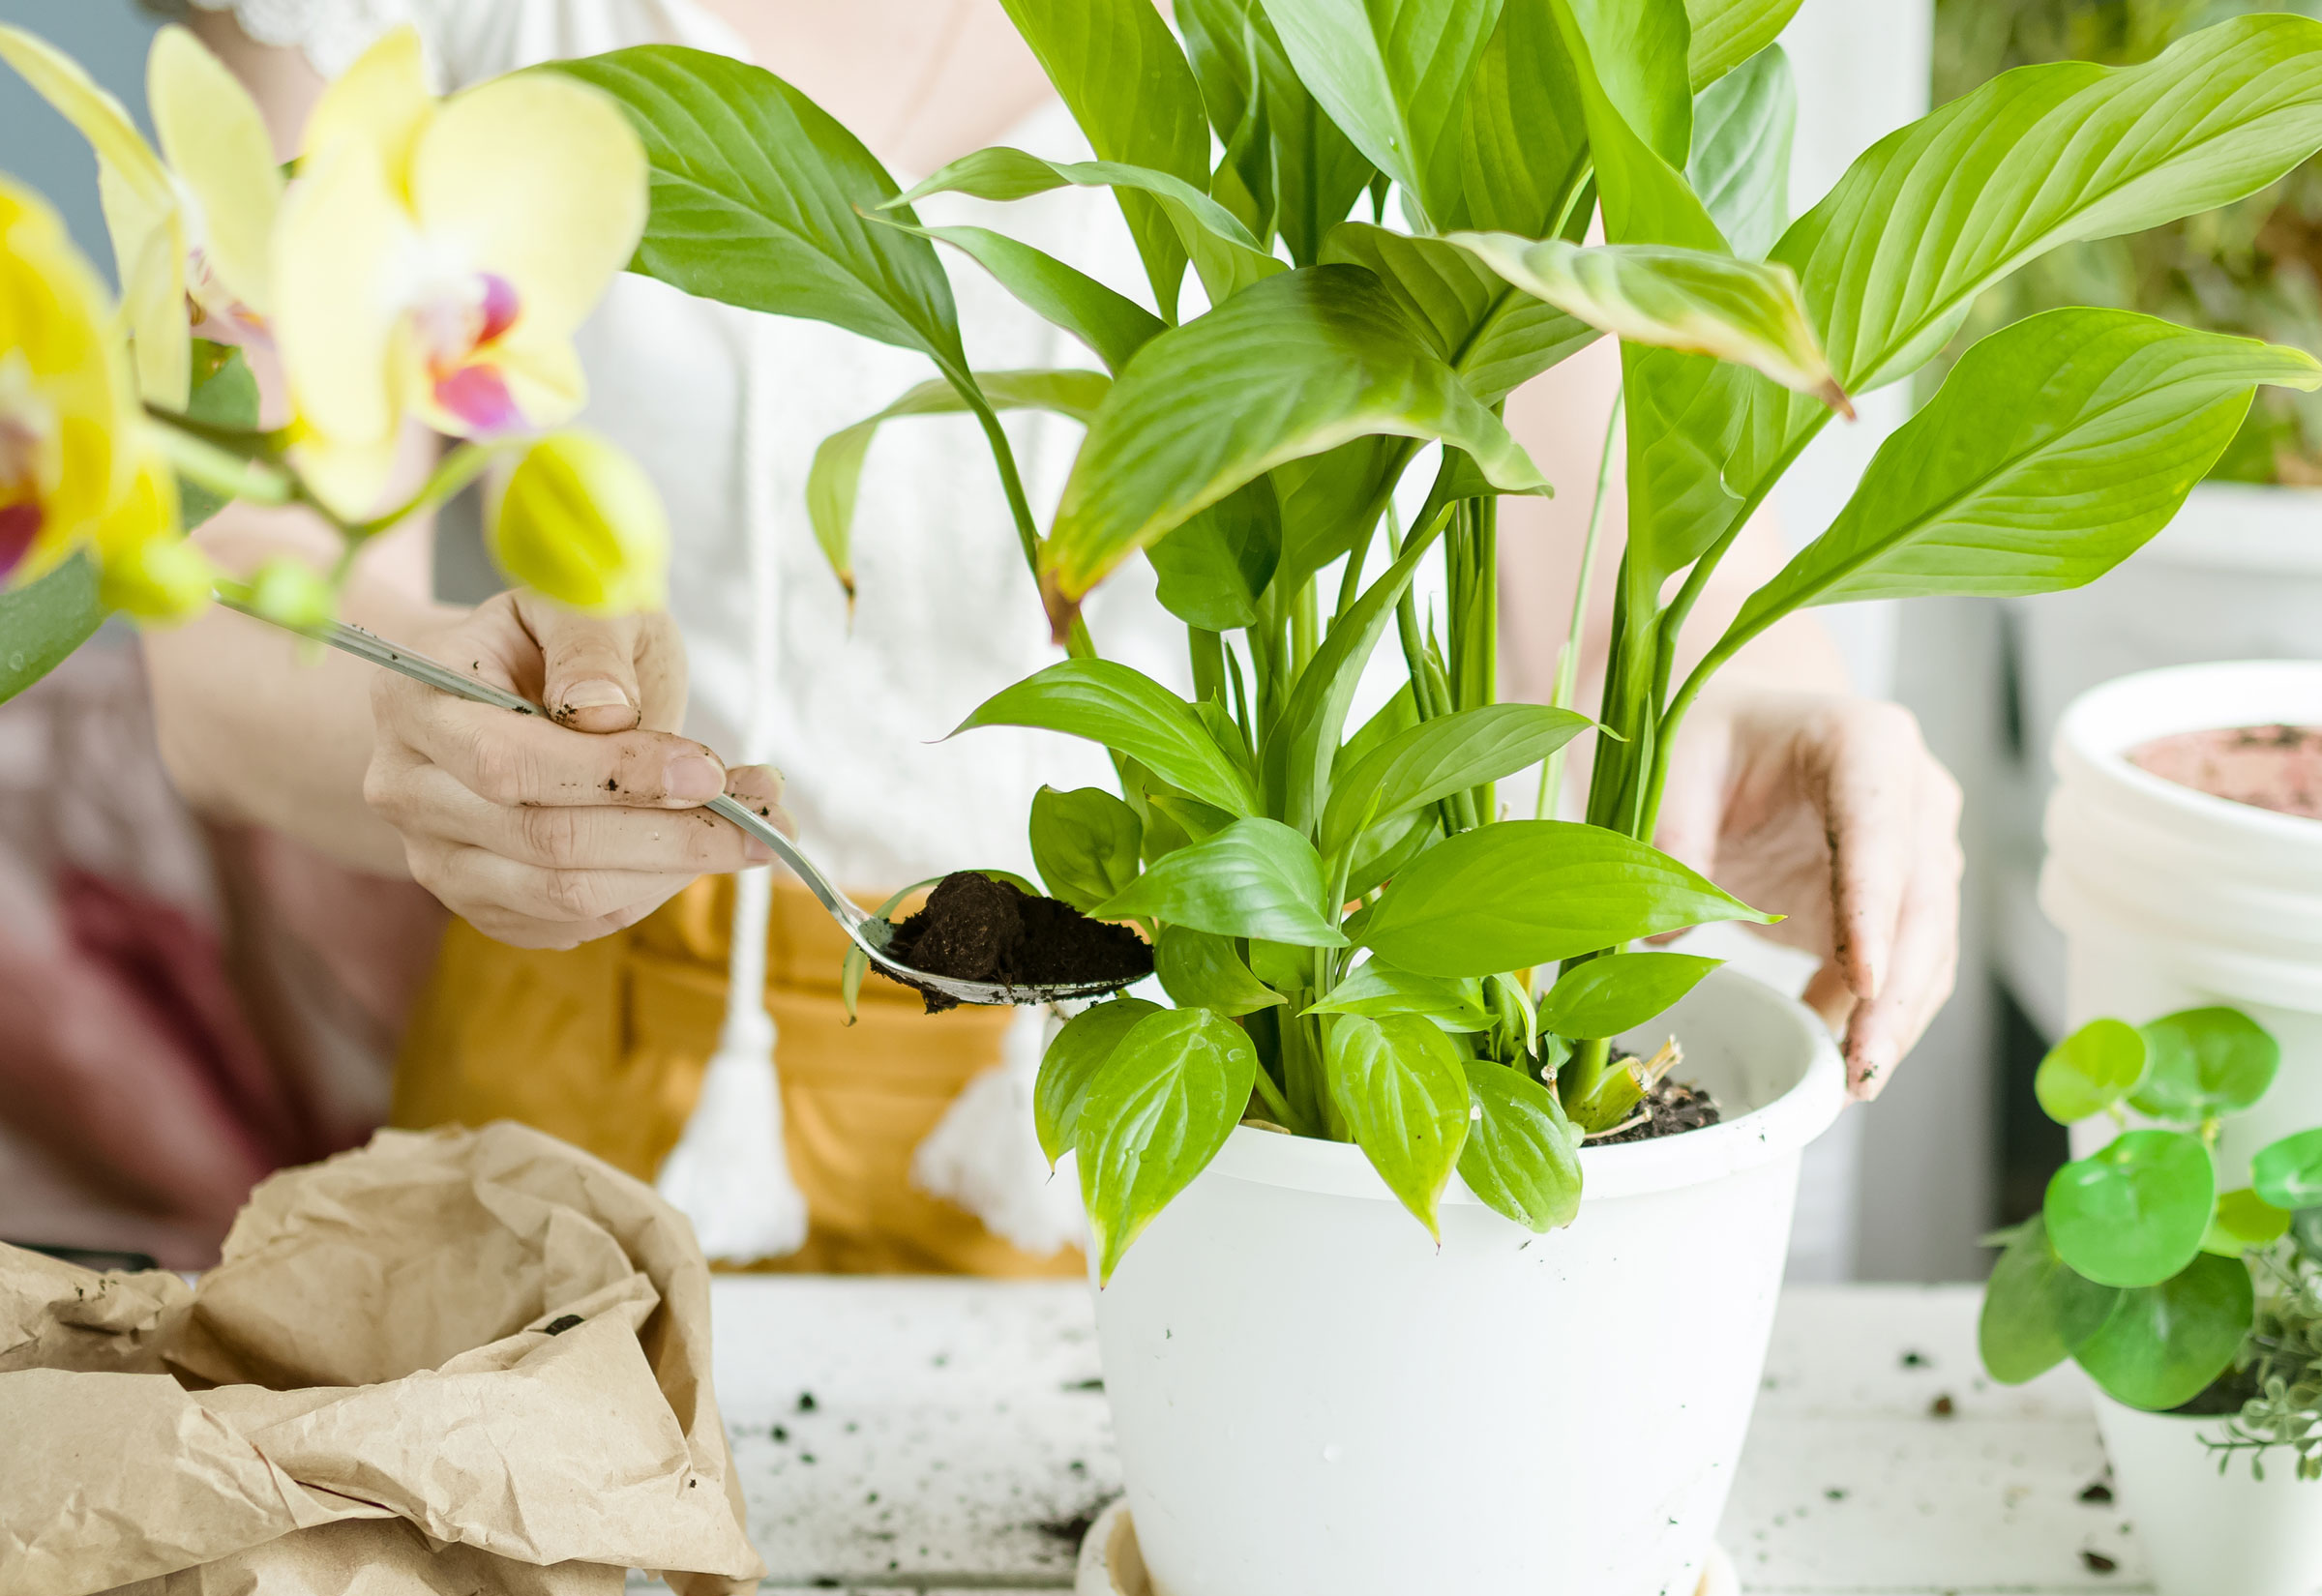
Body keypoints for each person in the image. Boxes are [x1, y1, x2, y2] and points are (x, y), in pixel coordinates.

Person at [134, 0, 1962, 1272]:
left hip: (1204, 1096)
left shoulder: (1411, 36)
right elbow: (211, 600)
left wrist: (1767, 713)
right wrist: (434, 721)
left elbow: (1613, 584)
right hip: (587, 1090)